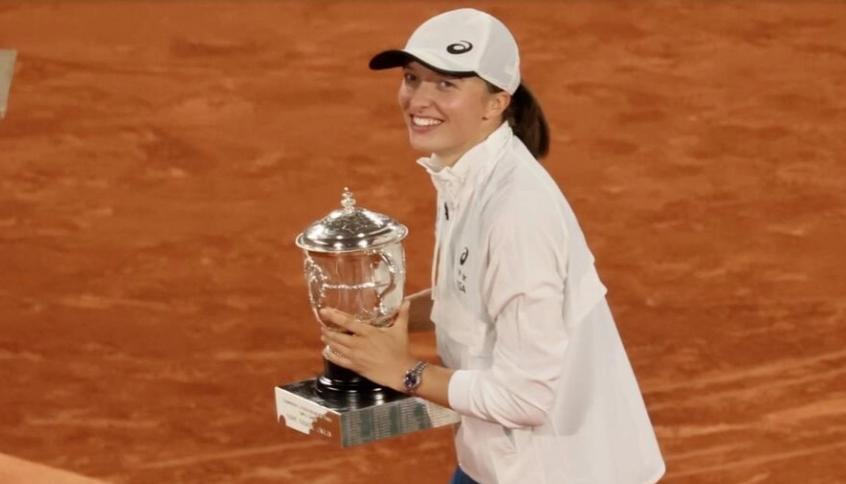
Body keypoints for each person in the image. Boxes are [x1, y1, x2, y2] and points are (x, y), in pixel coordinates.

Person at [319, 8, 665, 484]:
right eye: (412, 77)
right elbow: (474, 294)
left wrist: (402, 371)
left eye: (446, 85)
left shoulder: (516, 211)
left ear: (496, 101)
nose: (418, 98)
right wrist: (389, 313)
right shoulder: (465, 175)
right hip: (497, 465)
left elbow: (523, 400)